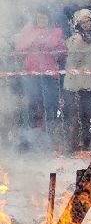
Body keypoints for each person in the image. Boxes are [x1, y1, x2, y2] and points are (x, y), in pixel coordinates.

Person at [15, 10, 64, 143]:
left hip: (48, 73)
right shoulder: (28, 31)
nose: (42, 21)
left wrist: (49, 45)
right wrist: (31, 43)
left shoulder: (55, 32)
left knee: (49, 103)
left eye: (44, 18)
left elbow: (60, 52)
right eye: (40, 18)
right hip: (31, 73)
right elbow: (19, 49)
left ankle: (49, 133)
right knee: (31, 103)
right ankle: (30, 135)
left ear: (48, 20)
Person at [63, 8, 91, 151]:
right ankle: (72, 144)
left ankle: (86, 142)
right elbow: (73, 60)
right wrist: (81, 45)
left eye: (88, 21)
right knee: (74, 115)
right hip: (74, 83)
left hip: (89, 82)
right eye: (83, 22)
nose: (86, 24)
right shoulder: (75, 39)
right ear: (78, 24)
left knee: (87, 114)